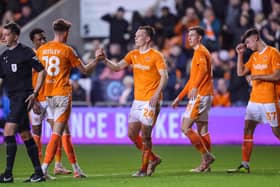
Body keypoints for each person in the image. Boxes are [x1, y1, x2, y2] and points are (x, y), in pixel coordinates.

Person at [96, 25, 168, 177]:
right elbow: (116, 68)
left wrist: (156, 94)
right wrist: (103, 60)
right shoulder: (133, 54)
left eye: (139, 35)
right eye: (135, 35)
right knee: (132, 134)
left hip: (151, 101)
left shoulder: (156, 55)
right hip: (138, 101)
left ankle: (143, 169)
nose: (135, 38)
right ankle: (153, 159)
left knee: (146, 135)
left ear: (147, 38)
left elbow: (164, 76)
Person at [36, 18, 99, 178]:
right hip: (62, 95)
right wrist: (97, 60)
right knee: (57, 134)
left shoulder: (42, 50)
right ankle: (42, 170)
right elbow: (84, 71)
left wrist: (36, 94)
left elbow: (36, 72)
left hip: (47, 95)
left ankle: (76, 169)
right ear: (65, 32)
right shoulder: (67, 50)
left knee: (65, 132)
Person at [227, 28, 280, 173]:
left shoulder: (273, 53)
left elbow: (277, 76)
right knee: (248, 128)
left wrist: (257, 76)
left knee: (277, 132)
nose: (248, 46)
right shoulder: (254, 56)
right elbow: (240, 72)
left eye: (248, 43)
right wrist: (240, 55)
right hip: (255, 100)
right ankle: (245, 163)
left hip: (270, 100)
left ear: (256, 38)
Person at [0, 22, 46, 183]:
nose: (3, 37)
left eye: (6, 34)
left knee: (8, 130)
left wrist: (35, 93)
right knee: (25, 134)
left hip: (23, 97)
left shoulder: (26, 52)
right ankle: (38, 173)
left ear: (15, 36)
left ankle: (7, 174)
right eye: (2, 34)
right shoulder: (4, 56)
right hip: (12, 99)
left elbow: (41, 70)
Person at [171, 26, 215, 173]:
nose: (188, 38)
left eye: (192, 35)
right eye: (187, 36)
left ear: (199, 38)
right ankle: (205, 165)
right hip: (205, 93)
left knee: (185, 127)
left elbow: (202, 71)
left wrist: (196, 87)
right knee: (202, 130)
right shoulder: (199, 52)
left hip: (201, 94)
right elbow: (192, 80)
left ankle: (206, 157)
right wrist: (179, 97)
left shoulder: (200, 51)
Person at [29, 28, 72, 176]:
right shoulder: (31, 56)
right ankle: (38, 168)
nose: (42, 41)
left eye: (43, 38)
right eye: (39, 39)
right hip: (37, 100)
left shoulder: (47, 53)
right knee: (36, 132)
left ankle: (58, 165)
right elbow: (27, 80)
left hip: (50, 96)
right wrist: (33, 99)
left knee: (57, 131)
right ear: (33, 42)